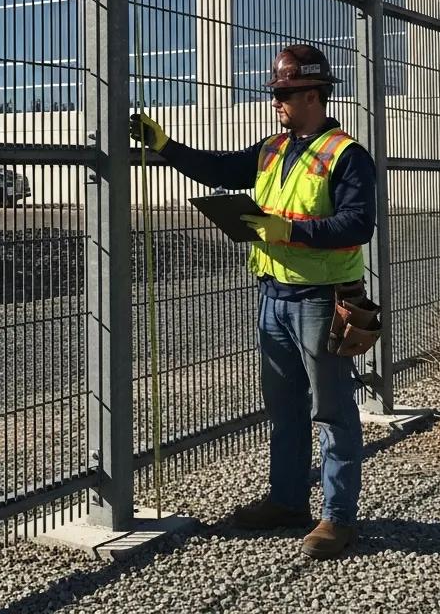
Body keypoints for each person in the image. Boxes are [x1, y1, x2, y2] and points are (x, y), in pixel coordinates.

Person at [130, 44, 377, 560]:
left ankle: (339, 519)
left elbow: (357, 223)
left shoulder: (346, 154)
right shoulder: (273, 149)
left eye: (285, 94)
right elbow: (219, 169)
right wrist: (166, 147)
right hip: (274, 295)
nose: (277, 102)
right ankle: (288, 503)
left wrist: (287, 229)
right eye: (276, 94)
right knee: (285, 409)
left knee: (331, 411)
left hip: (322, 300)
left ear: (314, 93)